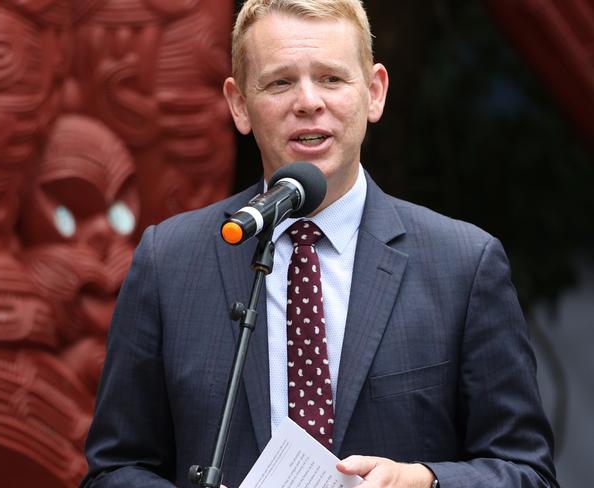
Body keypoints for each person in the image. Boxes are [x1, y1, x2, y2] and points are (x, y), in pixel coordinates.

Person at [81, 1, 558, 487]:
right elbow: (114, 470)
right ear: (239, 104)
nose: (308, 101)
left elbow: (528, 473)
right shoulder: (171, 262)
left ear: (374, 93)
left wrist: (428, 481)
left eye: (331, 78)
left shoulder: (463, 265)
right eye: (280, 82)